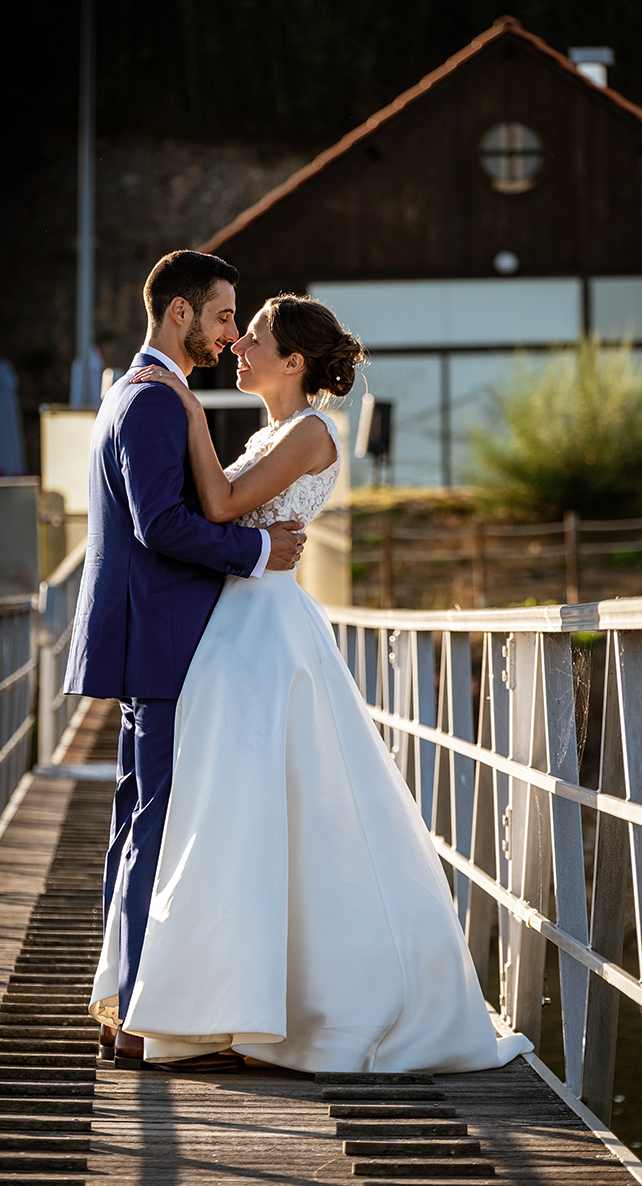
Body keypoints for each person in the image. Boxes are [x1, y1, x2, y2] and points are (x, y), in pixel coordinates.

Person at [89, 292, 533, 1075]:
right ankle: (216, 1001)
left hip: (267, 636)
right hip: (229, 629)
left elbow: (221, 503)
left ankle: (296, 1006)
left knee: (275, 810)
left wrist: (189, 416)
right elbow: (208, 512)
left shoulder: (309, 433)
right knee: (226, 814)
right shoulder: (270, 433)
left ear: (293, 361)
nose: (239, 346)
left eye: (254, 337)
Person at [63, 253, 306, 1073]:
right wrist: (258, 547)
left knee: (140, 826)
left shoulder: (145, 394)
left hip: (150, 639)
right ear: (178, 314)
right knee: (154, 828)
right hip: (161, 642)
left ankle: (125, 1009)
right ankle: (137, 1015)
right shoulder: (153, 403)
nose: (230, 332)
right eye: (222, 316)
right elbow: (160, 525)